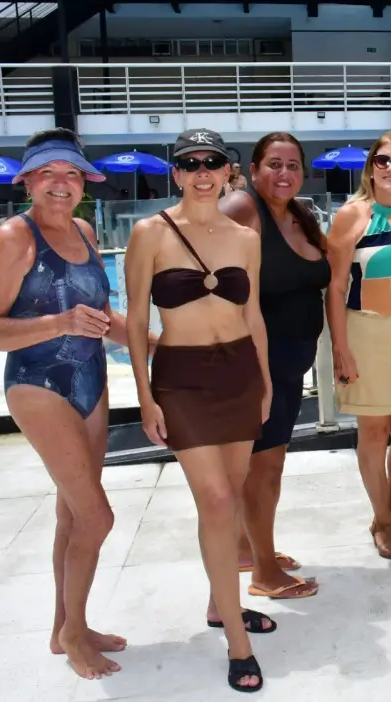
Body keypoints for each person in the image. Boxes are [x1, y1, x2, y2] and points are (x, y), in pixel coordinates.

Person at [0, 128, 148, 681]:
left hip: (90, 379)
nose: (61, 184)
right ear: (27, 181)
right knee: (97, 515)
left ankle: (64, 624)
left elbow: (100, 319)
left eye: (71, 174)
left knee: (73, 511)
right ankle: (73, 634)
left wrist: (160, 343)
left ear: (84, 182)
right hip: (38, 383)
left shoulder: (87, 233)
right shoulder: (12, 238)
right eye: (49, 174)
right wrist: (58, 323)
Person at [124, 128, 271, 692]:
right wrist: (145, 395)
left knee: (232, 496)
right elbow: (137, 322)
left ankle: (220, 603)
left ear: (229, 171)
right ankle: (237, 638)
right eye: (190, 163)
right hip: (182, 379)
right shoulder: (150, 233)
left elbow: (252, 314)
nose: (203, 172)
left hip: (238, 373)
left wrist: (265, 382)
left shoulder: (244, 237)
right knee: (213, 500)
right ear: (177, 173)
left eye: (213, 162)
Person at [221, 132, 326, 600]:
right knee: (266, 471)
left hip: (289, 366)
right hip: (256, 368)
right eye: (274, 165)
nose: (284, 174)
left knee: (260, 468)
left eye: (292, 165)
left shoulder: (299, 214)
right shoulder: (245, 208)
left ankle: (248, 548)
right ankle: (264, 572)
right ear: (255, 168)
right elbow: (188, 240)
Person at [325, 131, 391, 560]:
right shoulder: (353, 216)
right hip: (367, 331)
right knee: (374, 431)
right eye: (383, 161)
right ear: (371, 167)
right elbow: (335, 288)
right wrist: (340, 346)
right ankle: (381, 519)